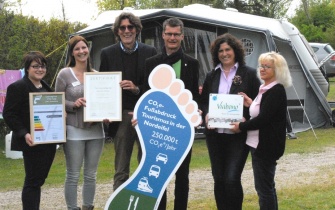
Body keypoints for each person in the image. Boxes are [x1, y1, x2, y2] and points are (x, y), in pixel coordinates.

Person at [199, 33, 261, 210]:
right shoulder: (212, 75)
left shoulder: (248, 74)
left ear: (235, 51)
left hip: (238, 136)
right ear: (216, 54)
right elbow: (204, 101)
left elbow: (258, 102)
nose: (224, 54)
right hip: (215, 136)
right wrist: (206, 115)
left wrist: (245, 118)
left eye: (228, 50)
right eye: (220, 51)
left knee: (232, 178)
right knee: (218, 178)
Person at [144, 17, 200, 210]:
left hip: (182, 130)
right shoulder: (151, 63)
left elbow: (193, 96)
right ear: (163, 35)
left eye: (176, 34)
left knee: (182, 176)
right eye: (169, 34)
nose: (173, 38)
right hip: (158, 130)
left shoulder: (192, 64)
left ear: (182, 36)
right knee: (159, 175)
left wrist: (197, 111)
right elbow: (146, 95)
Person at [99, 12, 157, 190]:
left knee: (145, 164)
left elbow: (155, 88)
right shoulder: (107, 53)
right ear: (117, 31)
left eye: (130, 27)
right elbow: (102, 86)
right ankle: (119, 203)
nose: (126, 31)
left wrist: (136, 88)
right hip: (121, 116)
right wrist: (105, 112)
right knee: (121, 168)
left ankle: (144, 201)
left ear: (137, 29)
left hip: (145, 114)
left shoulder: (151, 52)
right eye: (122, 28)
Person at [230, 51, 292, 210]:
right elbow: (263, 111)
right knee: (267, 186)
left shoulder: (276, 90)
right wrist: (250, 103)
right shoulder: (264, 87)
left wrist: (241, 127)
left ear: (277, 70)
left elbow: (263, 119)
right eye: (261, 65)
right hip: (257, 144)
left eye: (267, 67)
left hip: (265, 146)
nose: (262, 69)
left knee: (264, 189)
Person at [55, 36, 105, 210]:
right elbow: (56, 101)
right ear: (72, 53)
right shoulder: (64, 74)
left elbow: (105, 102)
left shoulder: (98, 75)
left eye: (84, 47)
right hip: (73, 129)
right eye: (77, 49)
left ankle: (88, 206)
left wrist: (107, 114)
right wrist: (72, 104)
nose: (81, 51)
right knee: (73, 174)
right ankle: (72, 208)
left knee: (91, 175)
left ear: (88, 50)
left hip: (96, 131)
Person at [3, 51, 57, 210]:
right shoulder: (17, 87)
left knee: (39, 180)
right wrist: (24, 133)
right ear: (27, 68)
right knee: (33, 181)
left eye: (42, 66)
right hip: (31, 141)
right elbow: (9, 114)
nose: (40, 69)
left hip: (49, 141)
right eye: (35, 66)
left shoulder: (47, 87)